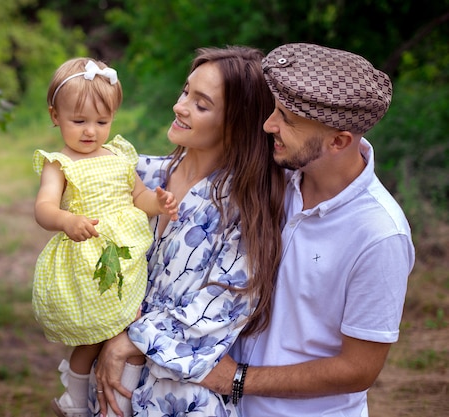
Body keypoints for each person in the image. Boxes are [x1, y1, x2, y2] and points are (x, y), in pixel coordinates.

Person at [199, 43, 416, 416]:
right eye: (274, 111)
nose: (269, 126)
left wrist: (237, 379)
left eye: (287, 118)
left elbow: (358, 369)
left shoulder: (379, 234)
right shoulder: (274, 179)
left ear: (339, 141)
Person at [91, 46, 286, 417]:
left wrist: (127, 340)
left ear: (236, 123)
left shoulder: (243, 209)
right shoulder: (138, 177)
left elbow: (222, 309)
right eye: (185, 93)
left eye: (201, 104)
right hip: (108, 386)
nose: (180, 107)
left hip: (179, 401)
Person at [31, 57, 179, 417]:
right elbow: (44, 208)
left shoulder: (119, 155)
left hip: (124, 258)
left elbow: (138, 198)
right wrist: (66, 220)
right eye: (78, 121)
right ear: (55, 116)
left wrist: (157, 202)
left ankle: (123, 396)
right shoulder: (59, 162)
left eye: (102, 121)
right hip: (87, 261)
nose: (90, 131)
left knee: (128, 326)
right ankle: (76, 396)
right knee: (93, 334)